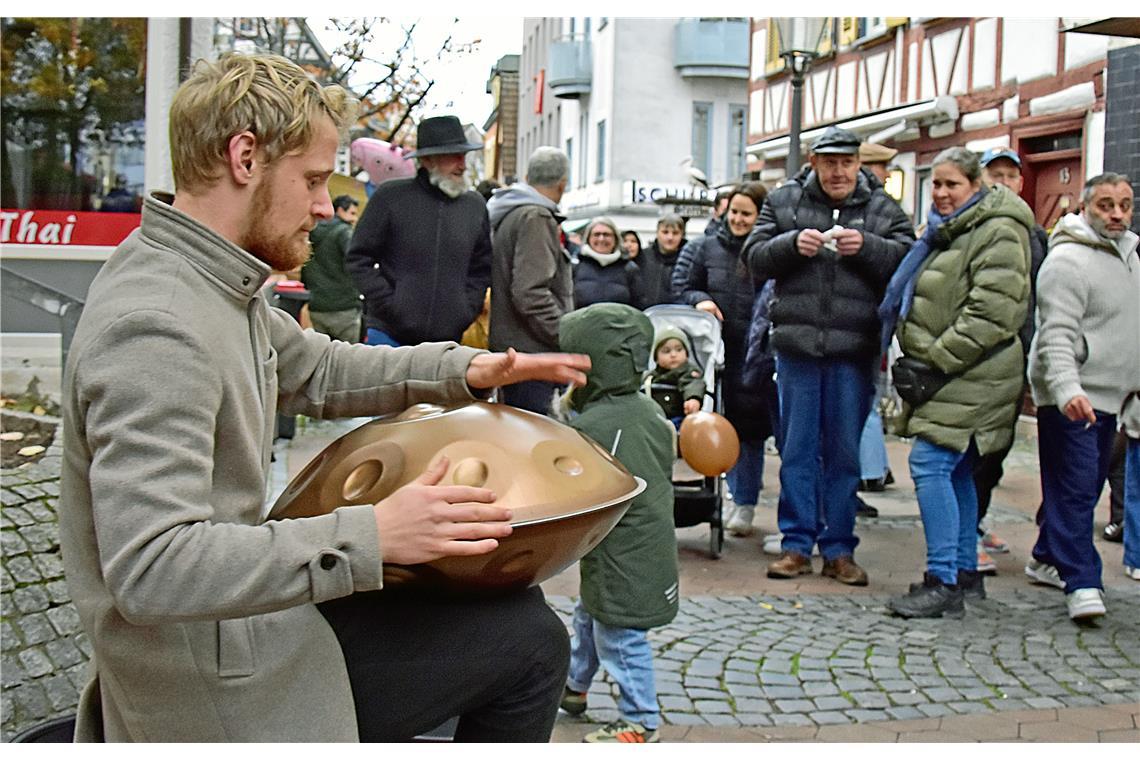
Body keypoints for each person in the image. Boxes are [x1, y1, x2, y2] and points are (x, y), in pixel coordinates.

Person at [56, 52, 592, 742]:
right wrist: (375, 533)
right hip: (208, 690)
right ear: (244, 157)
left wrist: (473, 369)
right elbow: (153, 568)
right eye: (312, 179)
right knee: (528, 645)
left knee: (516, 619)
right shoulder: (158, 323)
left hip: (242, 631)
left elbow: (318, 368)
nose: (322, 205)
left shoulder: (207, 280)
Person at [744, 126, 914, 584]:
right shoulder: (783, 202)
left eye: (846, 162)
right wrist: (789, 245)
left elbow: (909, 259)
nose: (838, 171)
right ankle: (796, 544)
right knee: (797, 450)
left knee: (844, 454)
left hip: (854, 350)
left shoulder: (882, 207)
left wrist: (871, 248)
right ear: (814, 162)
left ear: (858, 164)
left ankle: (839, 548)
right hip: (797, 348)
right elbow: (754, 256)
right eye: (829, 162)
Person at [879, 147, 1033, 618]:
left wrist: (934, 362)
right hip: (954, 372)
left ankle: (942, 580)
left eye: (953, 185)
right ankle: (964, 572)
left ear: (976, 186)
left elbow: (992, 314)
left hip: (976, 372)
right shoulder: (949, 232)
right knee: (959, 469)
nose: (943, 194)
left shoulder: (998, 231)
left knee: (929, 465)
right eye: (938, 184)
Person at [556, 303, 677, 744]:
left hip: (623, 551)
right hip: (636, 544)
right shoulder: (645, 412)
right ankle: (574, 687)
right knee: (590, 615)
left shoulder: (597, 425)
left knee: (621, 637)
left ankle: (640, 720)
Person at [1024, 173, 1138, 621]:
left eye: (1124, 205)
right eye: (1106, 205)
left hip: (1113, 395)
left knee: (1087, 485)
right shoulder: (1067, 262)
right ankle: (1082, 581)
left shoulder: (1130, 257)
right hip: (1071, 395)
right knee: (1074, 486)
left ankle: (1046, 555)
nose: (1116, 214)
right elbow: (1056, 335)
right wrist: (1067, 389)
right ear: (1086, 208)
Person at [674, 182, 772, 537]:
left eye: (747, 214)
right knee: (716, 425)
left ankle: (744, 501)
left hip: (754, 352)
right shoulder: (704, 248)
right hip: (713, 353)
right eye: (735, 212)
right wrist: (699, 300)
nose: (739, 219)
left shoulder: (766, 251)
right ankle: (722, 496)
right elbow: (683, 285)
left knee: (750, 432)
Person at [970, 147, 1052, 570]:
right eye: (994, 174)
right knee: (974, 450)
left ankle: (976, 520)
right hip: (977, 359)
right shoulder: (971, 227)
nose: (1003, 181)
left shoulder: (1036, 235)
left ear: (1021, 183)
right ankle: (967, 532)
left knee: (997, 450)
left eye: (1010, 175)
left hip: (1018, 356)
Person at [346, 115, 491, 347]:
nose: (462, 165)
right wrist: (389, 305)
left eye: (463, 155)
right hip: (387, 337)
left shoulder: (473, 206)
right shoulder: (390, 197)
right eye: (454, 156)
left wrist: (466, 309)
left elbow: (481, 267)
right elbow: (358, 258)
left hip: (446, 342)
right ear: (428, 160)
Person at [486, 146, 573, 415]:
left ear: (527, 176)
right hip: (532, 354)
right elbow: (530, 292)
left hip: (516, 350)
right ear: (562, 184)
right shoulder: (535, 217)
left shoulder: (513, 212)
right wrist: (565, 334)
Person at [302, 193, 363, 343]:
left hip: (317, 306)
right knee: (349, 360)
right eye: (352, 213)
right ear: (340, 210)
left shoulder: (312, 231)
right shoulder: (344, 232)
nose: (355, 219)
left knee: (325, 357)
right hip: (344, 307)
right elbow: (357, 260)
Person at [572, 216, 642, 309]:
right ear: (588, 238)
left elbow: (639, 304)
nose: (601, 239)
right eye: (596, 234)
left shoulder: (629, 269)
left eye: (606, 234)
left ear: (615, 239)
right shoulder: (576, 266)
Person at [648, 324, 705, 429]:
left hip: (678, 417)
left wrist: (693, 398)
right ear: (656, 358)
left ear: (686, 354)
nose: (673, 355)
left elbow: (693, 384)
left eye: (679, 350)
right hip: (652, 419)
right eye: (666, 351)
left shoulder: (689, 372)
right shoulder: (649, 377)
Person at [637, 214, 687, 307]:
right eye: (665, 232)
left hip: (678, 316)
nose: (670, 237)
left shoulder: (690, 260)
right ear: (657, 233)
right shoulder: (642, 257)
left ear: (682, 235)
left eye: (675, 233)